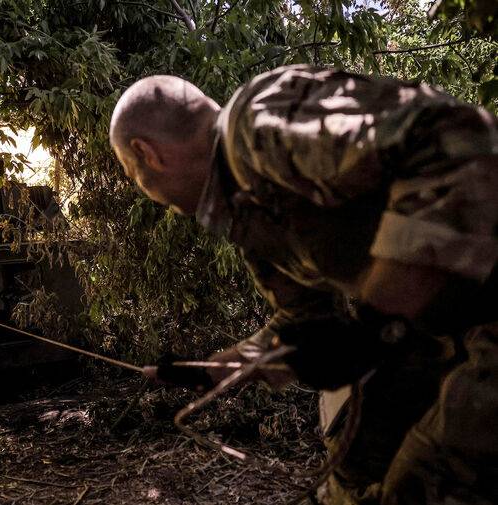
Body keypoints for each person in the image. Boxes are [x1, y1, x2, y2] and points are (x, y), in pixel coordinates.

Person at [109, 65, 498, 505]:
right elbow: (305, 319)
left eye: (131, 174)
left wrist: (380, 316)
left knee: (426, 481)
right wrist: (219, 370)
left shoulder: (257, 126)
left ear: (148, 154)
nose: (144, 189)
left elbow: (453, 136)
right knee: (354, 470)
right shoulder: (243, 206)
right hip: (445, 338)